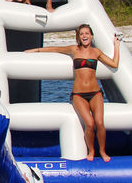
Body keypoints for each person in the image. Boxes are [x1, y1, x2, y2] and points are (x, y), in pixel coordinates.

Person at [24, 25, 121, 161]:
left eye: (87, 33)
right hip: (78, 95)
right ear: (78, 37)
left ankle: (103, 151)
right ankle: (91, 151)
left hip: (95, 93)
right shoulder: (74, 49)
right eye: (82, 34)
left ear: (91, 36)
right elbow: (55, 49)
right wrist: (36, 50)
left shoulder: (96, 52)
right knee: (90, 123)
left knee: (99, 123)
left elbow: (114, 64)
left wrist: (117, 46)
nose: (84, 36)